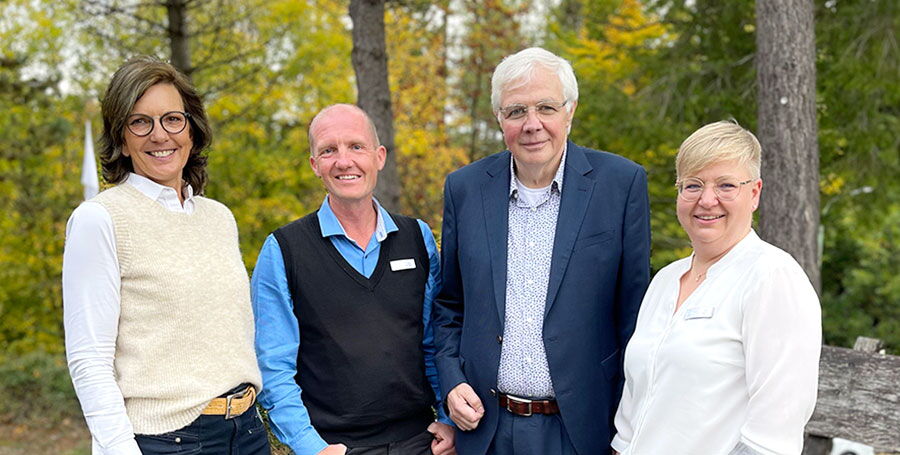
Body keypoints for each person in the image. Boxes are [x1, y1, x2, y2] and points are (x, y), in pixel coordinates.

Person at [432, 47, 651, 455]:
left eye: (546, 107)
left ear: (570, 111)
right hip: (486, 429)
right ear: (499, 118)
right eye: (516, 111)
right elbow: (449, 306)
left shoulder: (620, 185)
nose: (532, 124)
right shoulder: (464, 189)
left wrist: (630, 429)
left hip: (583, 430)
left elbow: (635, 317)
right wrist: (452, 382)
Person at [62, 56, 269, 454]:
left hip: (246, 433)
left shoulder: (219, 218)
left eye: (173, 119)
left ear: (191, 129)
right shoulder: (100, 219)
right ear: (122, 139)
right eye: (140, 122)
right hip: (169, 441)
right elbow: (89, 360)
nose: (160, 135)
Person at [251, 104, 455, 455]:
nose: (344, 161)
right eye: (329, 150)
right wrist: (310, 446)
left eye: (356, 146)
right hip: (333, 447)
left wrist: (449, 419)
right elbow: (273, 366)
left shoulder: (417, 238)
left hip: (421, 442)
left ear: (379, 157)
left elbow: (435, 342)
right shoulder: (283, 249)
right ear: (315, 165)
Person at [611, 121, 822, 455]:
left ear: (754, 193)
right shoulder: (665, 281)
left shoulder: (771, 277)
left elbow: (772, 436)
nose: (707, 200)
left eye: (726, 185)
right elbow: (632, 418)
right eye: (693, 185)